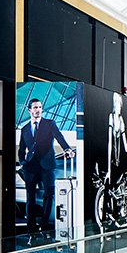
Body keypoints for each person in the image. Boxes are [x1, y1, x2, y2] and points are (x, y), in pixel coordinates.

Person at [18, 98, 75, 234]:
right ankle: (31, 227)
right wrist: (22, 162)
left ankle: (44, 226)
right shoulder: (25, 129)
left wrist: (67, 149)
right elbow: (21, 149)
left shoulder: (49, 124)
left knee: (49, 195)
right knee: (30, 198)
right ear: (29, 110)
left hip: (47, 166)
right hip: (30, 167)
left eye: (40, 107)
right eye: (35, 107)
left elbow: (60, 137)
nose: (38, 110)